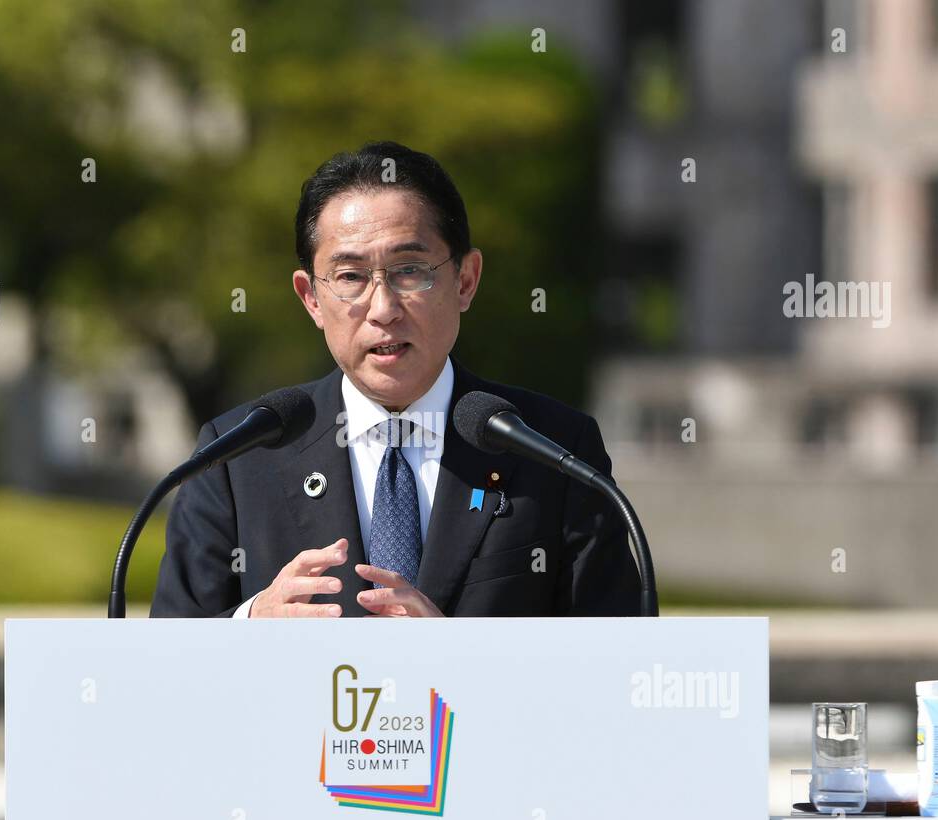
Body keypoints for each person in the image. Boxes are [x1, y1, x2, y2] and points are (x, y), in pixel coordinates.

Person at [150, 141, 641, 618]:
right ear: (311, 299)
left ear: (465, 281)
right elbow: (161, 671)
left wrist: (454, 661)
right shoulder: (237, 456)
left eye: (410, 271)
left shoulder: (556, 451)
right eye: (350, 277)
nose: (383, 309)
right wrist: (251, 625)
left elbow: (614, 672)